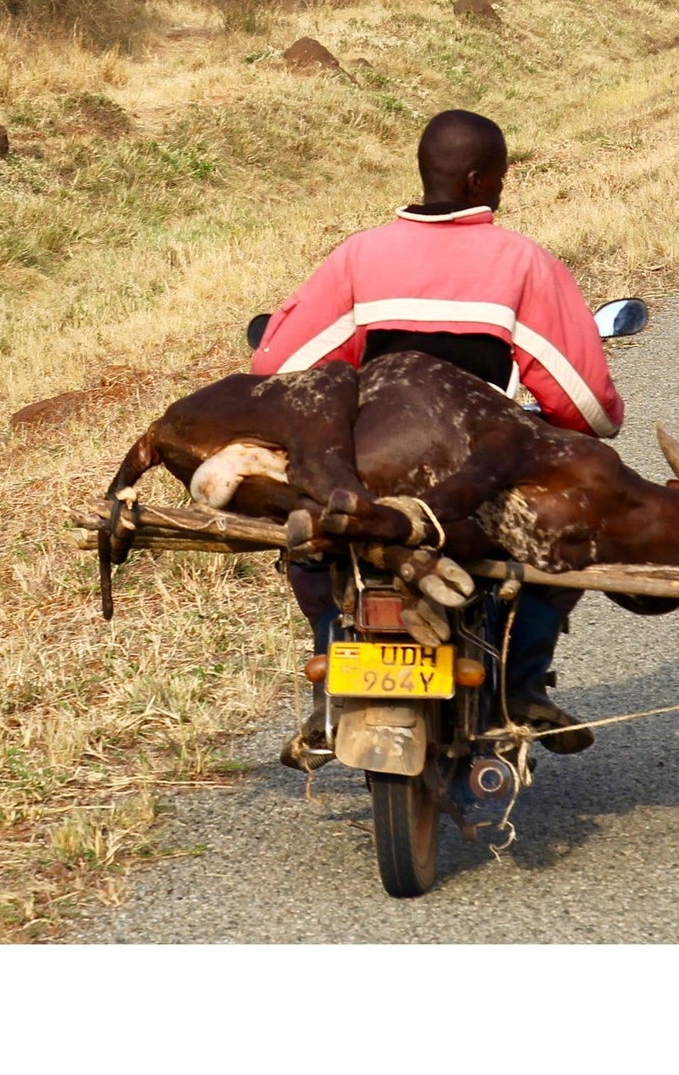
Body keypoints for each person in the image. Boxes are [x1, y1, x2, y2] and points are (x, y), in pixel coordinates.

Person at [252, 108, 624, 764]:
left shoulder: (357, 256)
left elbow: (276, 371)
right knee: (567, 533)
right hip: (474, 485)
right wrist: (580, 427)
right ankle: (521, 680)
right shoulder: (521, 264)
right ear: (480, 180)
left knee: (309, 545)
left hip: (371, 484)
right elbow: (585, 409)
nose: (503, 189)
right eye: (502, 178)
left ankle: (329, 652)